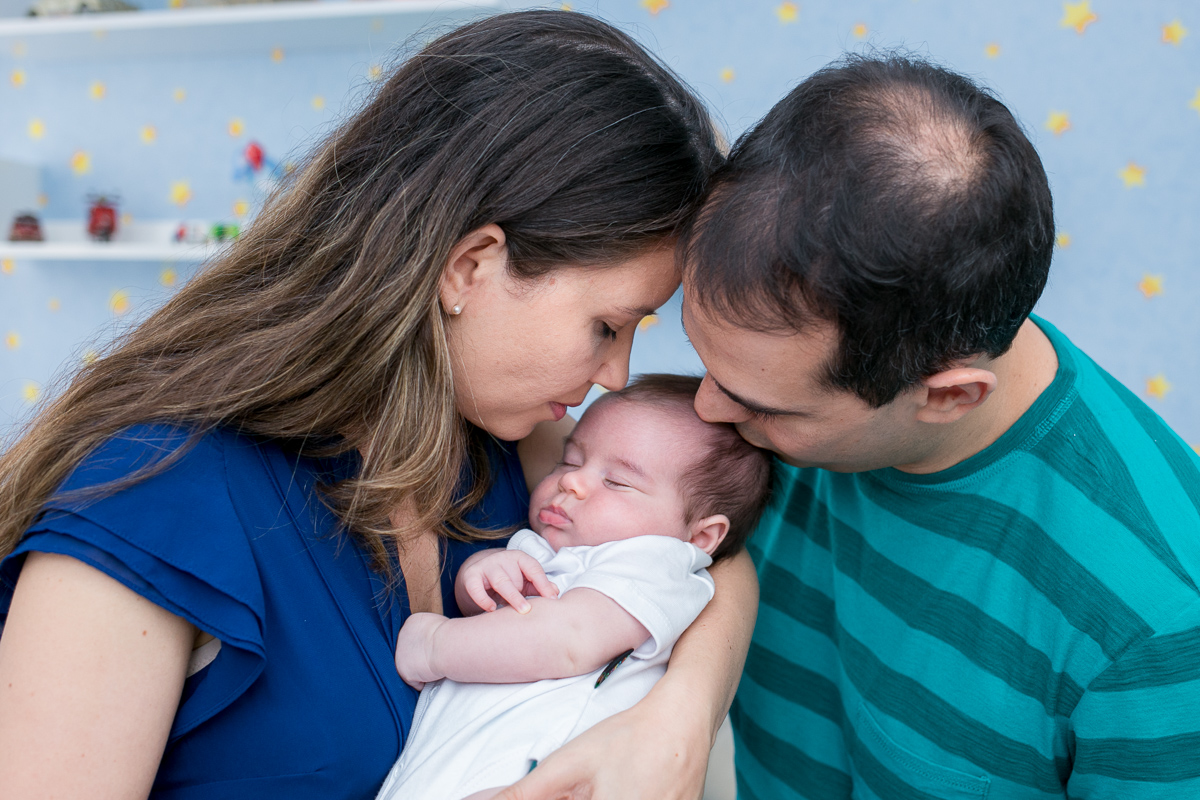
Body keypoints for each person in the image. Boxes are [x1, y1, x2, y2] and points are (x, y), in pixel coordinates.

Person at [0, 12, 758, 800]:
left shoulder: (508, 447)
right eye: (607, 325)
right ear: (470, 267)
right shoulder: (147, 506)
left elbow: (708, 548)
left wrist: (681, 719)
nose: (616, 372)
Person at [681, 53, 1200, 799]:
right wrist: (677, 719)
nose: (704, 411)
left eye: (762, 405)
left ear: (948, 396)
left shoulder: (1154, 626)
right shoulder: (769, 382)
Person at [377, 374, 772, 800]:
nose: (571, 482)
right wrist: (485, 571)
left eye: (617, 481)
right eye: (568, 461)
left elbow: (569, 639)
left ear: (700, 538)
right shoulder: (546, 548)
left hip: (540, 775)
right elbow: (505, 623)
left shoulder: (659, 567)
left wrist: (436, 644)